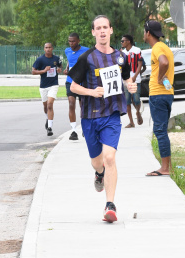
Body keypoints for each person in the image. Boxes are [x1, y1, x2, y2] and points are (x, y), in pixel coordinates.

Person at [67, 15, 137, 223]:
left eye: (105, 27)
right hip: (90, 117)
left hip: (112, 114)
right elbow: (72, 86)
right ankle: (99, 174)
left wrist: (130, 86)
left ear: (111, 30)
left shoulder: (120, 57)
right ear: (93, 33)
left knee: (110, 158)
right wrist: (91, 92)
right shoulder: (86, 57)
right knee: (97, 162)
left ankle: (110, 205)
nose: (102, 31)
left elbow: (126, 78)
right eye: (98, 28)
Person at [144, 20, 174, 177]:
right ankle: (167, 165)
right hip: (167, 94)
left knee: (160, 130)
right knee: (162, 130)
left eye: (144, 32)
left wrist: (160, 76)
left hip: (159, 94)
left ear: (148, 33)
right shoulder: (164, 47)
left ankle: (165, 168)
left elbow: (164, 62)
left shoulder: (157, 48)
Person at [32, 42, 62, 137]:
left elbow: (60, 66)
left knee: (50, 104)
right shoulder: (40, 59)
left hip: (54, 84)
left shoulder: (56, 59)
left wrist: (59, 70)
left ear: (52, 48)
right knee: (45, 107)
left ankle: (49, 128)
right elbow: (33, 71)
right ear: (44, 49)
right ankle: (48, 118)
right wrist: (44, 71)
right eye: (46, 47)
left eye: (49, 47)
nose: (48, 49)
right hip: (43, 86)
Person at [64, 33, 89, 140]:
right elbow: (70, 62)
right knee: (71, 104)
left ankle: (84, 128)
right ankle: (73, 131)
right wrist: (67, 69)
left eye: (73, 41)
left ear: (78, 41)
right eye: (69, 41)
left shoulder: (86, 50)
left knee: (82, 105)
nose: (71, 43)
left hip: (82, 82)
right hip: (70, 81)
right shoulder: (67, 50)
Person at [120, 34, 144, 127]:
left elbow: (140, 65)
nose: (121, 43)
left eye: (123, 41)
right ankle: (131, 122)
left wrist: (135, 77)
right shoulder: (122, 52)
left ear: (128, 41)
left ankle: (138, 112)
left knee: (136, 100)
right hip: (125, 80)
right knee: (127, 101)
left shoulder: (137, 50)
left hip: (135, 80)